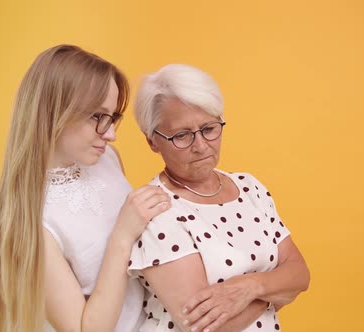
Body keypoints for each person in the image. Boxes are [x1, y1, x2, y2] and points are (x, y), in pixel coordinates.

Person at [0, 44, 172, 332]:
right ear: (54, 112)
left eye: (112, 117)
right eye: (97, 116)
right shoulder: (30, 222)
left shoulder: (106, 159)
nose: (111, 135)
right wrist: (123, 234)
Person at [128, 64, 310, 332]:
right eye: (182, 135)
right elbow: (205, 326)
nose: (200, 145)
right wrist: (272, 295)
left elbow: (300, 273)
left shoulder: (250, 188)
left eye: (209, 128)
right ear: (153, 141)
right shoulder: (156, 209)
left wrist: (251, 287)